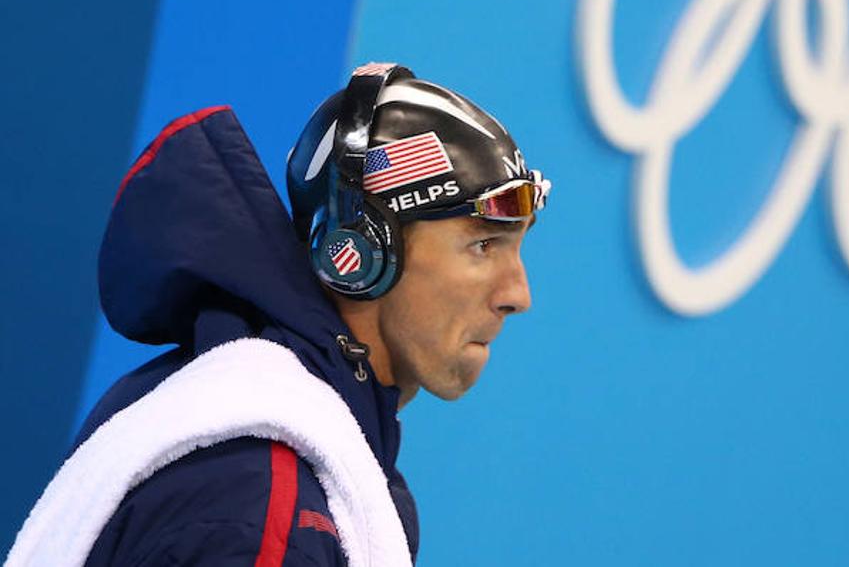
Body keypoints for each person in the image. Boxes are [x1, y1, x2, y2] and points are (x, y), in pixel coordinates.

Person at [6, 63, 549, 566]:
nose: (517, 294)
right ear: (360, 250)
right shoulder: (264, 502)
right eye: (483, 246)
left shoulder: (227, 416)